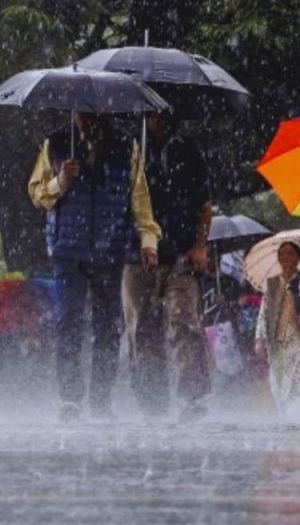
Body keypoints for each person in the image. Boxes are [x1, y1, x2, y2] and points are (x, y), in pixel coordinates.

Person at [28, 112, 162, 422]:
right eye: (81, 115)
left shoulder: (125, 146)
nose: (86, 121)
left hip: (109, 250)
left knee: (108, 327)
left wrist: (148, 240)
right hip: (68, 251)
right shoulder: (56, 143)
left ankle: (101, 400)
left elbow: (140, 199)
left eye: (92, 115)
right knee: (69, 322)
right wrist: (60, 182)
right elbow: (36, 193)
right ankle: (70, 398)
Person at [121, 112, 213, 423]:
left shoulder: (186, 149)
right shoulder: (129, 147)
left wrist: (200, 245)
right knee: (141, 329)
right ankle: (151, 402)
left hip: (180, 253)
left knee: (184, 322)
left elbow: (204, 203)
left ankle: (191, 397)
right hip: (135, 253)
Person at [255, 242, 300, 421]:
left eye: (290, 254)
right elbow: (263, 313)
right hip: (278, 342)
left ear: (298, 258)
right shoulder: (272, 284)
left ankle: (298, 419)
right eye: (282, 254)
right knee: (279, 384)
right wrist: (259, 339)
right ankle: (284, 420)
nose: (286, 258)